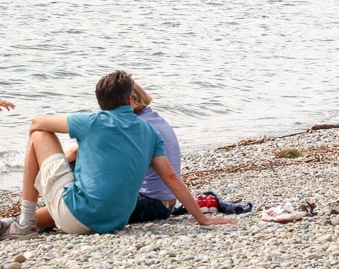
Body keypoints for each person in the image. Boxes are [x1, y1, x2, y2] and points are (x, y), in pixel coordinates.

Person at [0, 71, 234, 239]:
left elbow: (37, 121)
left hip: (78, 219)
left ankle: (26, 222)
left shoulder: (92, 121)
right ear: (131, 99)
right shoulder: (150, 131)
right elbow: (171, 177)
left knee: (39, 134)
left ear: (99, 102)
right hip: (116, 221)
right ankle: (28, 219)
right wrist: (201, 219)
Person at [63, 83, 182, 225]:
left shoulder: (133, 127)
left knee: (75, 160)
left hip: (151, 205)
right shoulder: (154, 119)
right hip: (166, 203)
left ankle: (74, 204)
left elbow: (73, 154)